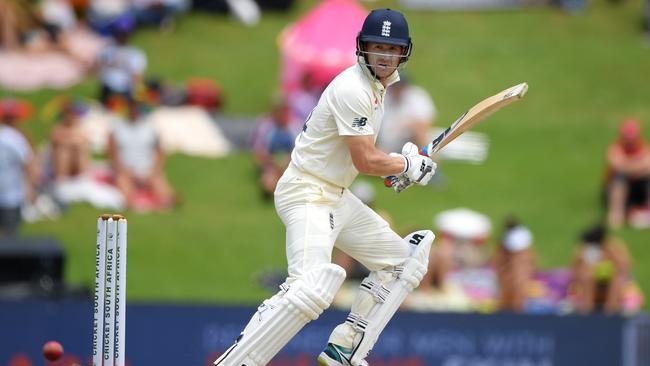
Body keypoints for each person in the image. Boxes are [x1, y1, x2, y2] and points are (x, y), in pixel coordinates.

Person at [214, 9, 437, 366]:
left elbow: (362, 158)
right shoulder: (353, 88)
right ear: (362, 48)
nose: (383, 55)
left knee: (402, 264)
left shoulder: (378, 90)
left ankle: (344, 346)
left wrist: (402, 167)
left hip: (336, 194)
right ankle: (236, 361)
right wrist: (405, 164)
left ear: (403, 53)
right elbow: (365, 159)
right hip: (307, 193)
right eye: (376, 47)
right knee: (309, 287)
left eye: (390, 48)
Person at [108, 100, 175, 210]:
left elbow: (160, 151)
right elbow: (112, 153)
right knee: (127, 195)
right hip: (126, 170)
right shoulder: (117, 127)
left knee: (165, 197)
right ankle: (135, 204)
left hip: (147, 169)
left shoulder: (151, 127)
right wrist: (124, 170)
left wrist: (155, 169)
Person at [570, 224, 631, 314]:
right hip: (589, 284)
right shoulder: (583, 249)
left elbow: (624, 267)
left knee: (616, 280)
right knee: (588, 278)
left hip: (611, 283)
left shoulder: (612, 246)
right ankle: (586, 312)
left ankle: (611, 313)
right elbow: (575, 269)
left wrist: (610, 258)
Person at [604, 118, 650, 228]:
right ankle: (616, 214)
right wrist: (638, 166)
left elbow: (647, 165)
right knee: (619, 178)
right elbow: (617, 165)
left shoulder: (644, 148)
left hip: (639, 186)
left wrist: (628, 165)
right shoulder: (615, 148)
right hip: (617, 187)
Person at [0, 103, 37, 237]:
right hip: (11, 196)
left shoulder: (14, 137)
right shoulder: (16, 138)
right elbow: (29, 164)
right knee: (10, 237)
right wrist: (32, 189)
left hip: (10, 194)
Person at [250, 97, 297, 199]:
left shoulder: (294, 126)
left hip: (291, 164)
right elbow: (258, 152)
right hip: (270, 166)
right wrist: (272, 163)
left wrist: (288, 161)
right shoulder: (265, 127)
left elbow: (300, 150)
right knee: (269, 181)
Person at [376, 74, 436, 153]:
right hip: (388, 142)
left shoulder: (416, 96)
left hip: (410, 138)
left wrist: (406, 125)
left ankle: (425, 161)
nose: (398, 90)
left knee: (420, 133)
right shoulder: (382, 99)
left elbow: (426, 123)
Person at [493, 219, 536, 312]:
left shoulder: (517, 237)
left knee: (517, 285)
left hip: (516, 263)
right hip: (513, 264)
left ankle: (516, 306)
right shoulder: (521, 234)